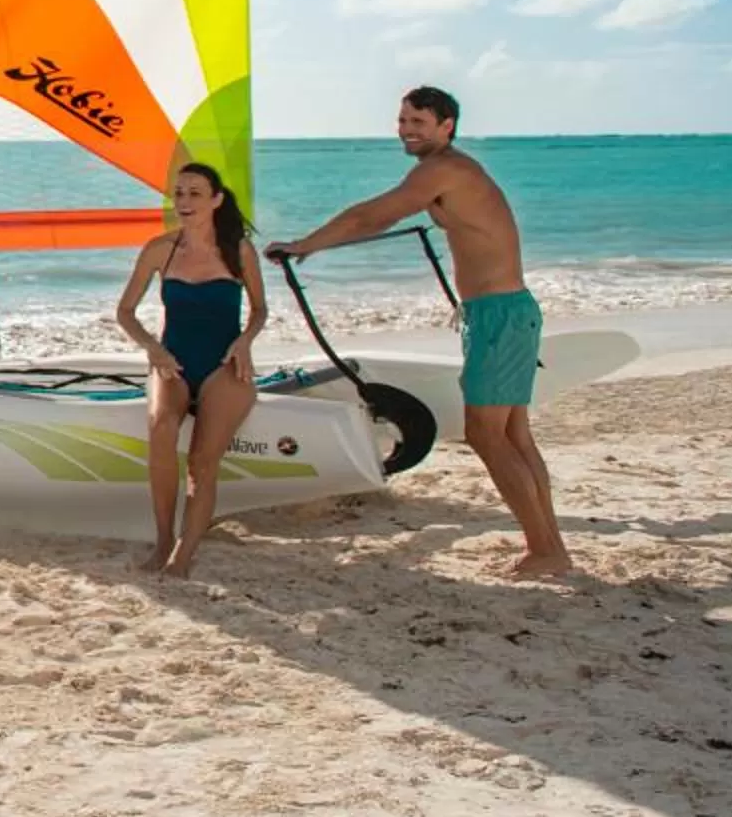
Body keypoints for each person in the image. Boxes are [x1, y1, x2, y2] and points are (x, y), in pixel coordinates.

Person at [266, 86, 570, 578]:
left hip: (500, 316)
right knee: (513, 435)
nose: (406, 130)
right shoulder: (446, 169)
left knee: (487, 434)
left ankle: (547, 550)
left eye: (418, 122)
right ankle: (549, 546)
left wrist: (307, 244)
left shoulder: (443, 169)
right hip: (496, 314)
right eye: (403, 120)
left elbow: (372, 215)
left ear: (446, 126)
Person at [114, 161, 268, 576]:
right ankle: (164, 538)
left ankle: (184, 554)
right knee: (161, 430)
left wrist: (245, 342)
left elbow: (259, 310)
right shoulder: (159, 249)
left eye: (195, 193)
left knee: (201, 462)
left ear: (216, 200)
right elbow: (125, 312)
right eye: (178, 193)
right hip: (173, 363)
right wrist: (153, 349)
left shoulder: (238, 250)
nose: (184, 201)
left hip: (224, 366)